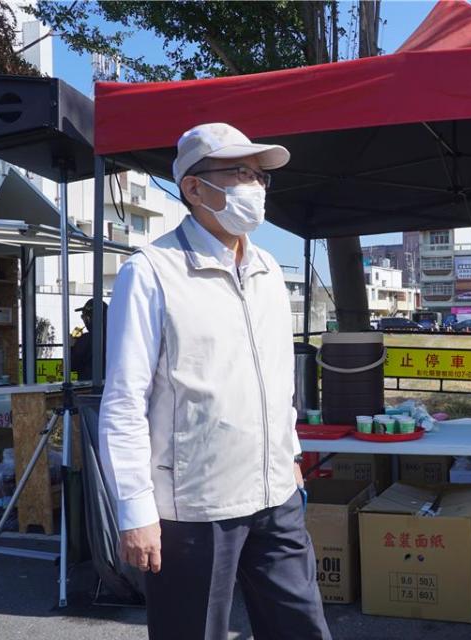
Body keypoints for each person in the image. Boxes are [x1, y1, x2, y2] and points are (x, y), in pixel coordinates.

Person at [99, 122, 330, 640]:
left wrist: (291, 458)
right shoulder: (153, 272)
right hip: (194, 505)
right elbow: (124, 401)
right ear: (194, 187)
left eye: (258, 175)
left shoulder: (270, 270)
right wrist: (135, 509)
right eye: (239, 172)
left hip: (276, 494)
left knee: (302, 626)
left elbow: (277, 381)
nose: (255, 185)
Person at [69, 298, 108, 381]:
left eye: (83, 316)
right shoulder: (117, 337)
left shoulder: (86, 339)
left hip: (88, 387)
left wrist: (71, 345)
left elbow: (71, 365)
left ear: (89, 319)